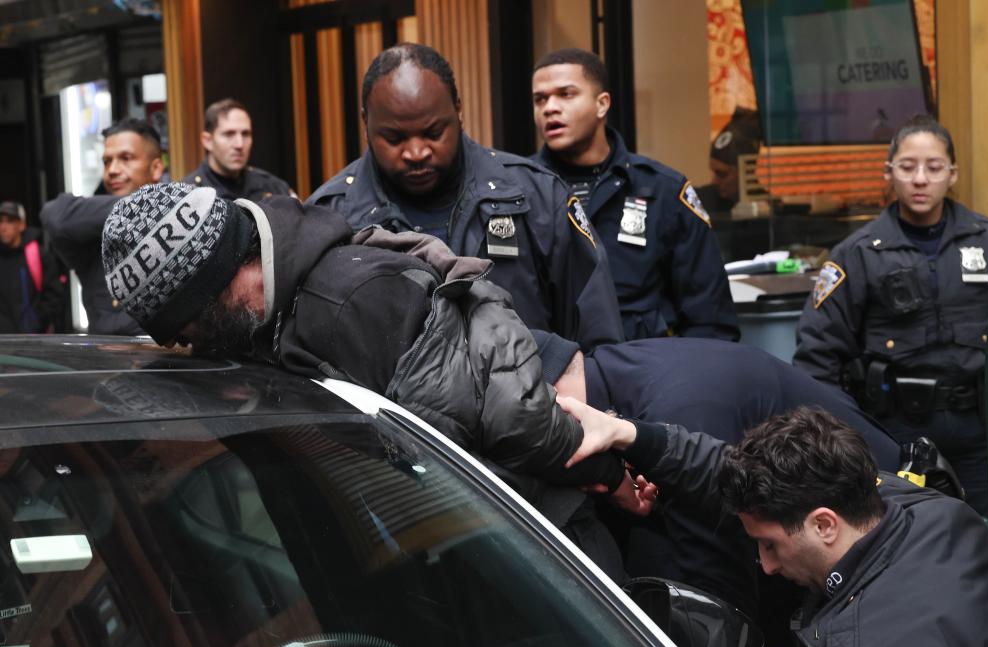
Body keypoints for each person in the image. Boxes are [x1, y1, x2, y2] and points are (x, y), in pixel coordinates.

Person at [100, 182, 645, 580]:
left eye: (184, 325)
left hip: (545, 554)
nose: (184, 344)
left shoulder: (342, 302)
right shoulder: (279, 310)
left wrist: (609, 473)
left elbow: (509, 413)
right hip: (479, 547)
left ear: (220, 280)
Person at [557, 402, 988, 647]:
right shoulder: (913, 507)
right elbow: (728, 473)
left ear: (824, 525)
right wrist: (629, 435)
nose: (765, 565)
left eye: (770, 545)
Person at [533, 331, 899, 640]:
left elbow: (722, 597)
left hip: (881, 531)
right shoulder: (616, 373)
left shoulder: (679, 408)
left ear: (555, 400)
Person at [306, 43, 623, 351]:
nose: (417, 153)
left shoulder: (538, 196)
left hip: (532, 401)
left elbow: (598, 338)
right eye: (394, 138)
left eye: (433, 133)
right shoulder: (330, 218)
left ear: (458, 110)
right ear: (366, 124)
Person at [793, 115, 988, 516]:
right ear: (889, 173)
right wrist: (849, 438)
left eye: (933, 168)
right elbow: (817, 358)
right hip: (892, 433)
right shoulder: (857, 253)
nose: (920, 179)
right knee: (904, 543)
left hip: (982, 434)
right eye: (908, 167)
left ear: (952, 175)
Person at [532, 49, 738, 341]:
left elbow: (710, 318)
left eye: (566, 94)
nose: (549, 108)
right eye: (540, 99)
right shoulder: (520, 189)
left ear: (602, 104)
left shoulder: (663, 190)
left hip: (644, 372)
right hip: (554, 376)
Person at [42, 118, 165, 334]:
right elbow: (55, 216)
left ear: (156, 168)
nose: (113, 170)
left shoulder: (180, 218)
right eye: (107, 161)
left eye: (126, 158)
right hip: (107, 363)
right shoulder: (93, 227)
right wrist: (150, 205)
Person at [183, 99, 295, 201]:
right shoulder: (188, 195)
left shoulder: (273, 187)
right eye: (229, 134)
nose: (239, 144)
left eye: (245, 134)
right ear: (208, 141)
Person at [0, 200, 64, 333]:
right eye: (1, 221)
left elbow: (54, 296)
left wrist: (37, 323)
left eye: (10, 221)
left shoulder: (38, 255)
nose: (3, 227)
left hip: (32, 339)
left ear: (21, 224)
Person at [695, 107, 762, 216]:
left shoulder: (766, 208)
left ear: (746, 172)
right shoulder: (708, 200)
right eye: (715, 173)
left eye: (722, 174)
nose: (714, 181)